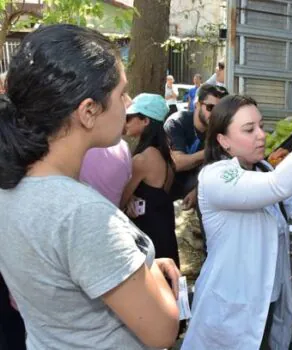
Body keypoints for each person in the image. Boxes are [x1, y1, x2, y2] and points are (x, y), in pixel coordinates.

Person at [0, 24, 180, 349]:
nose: (127, 103)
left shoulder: (13, 185)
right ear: (88, 111)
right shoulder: (82, 214)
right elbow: (163, 331)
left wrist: (136, 268)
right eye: (121, 93)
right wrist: (148, 268)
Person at [181, 95, 292, 349]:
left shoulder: (261, 168)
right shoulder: (216, 177)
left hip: (268, 299)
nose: (261, 135)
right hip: (233, 307)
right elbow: (277, 187)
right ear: (223, 140)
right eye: (249, 130)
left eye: (260, 126)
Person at [121, 93, 180, 268]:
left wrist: (128, 200)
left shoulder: (144, 159)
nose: (125, 122)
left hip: (148, 238)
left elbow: (119, 199)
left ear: (146, 121)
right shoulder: (165, 156)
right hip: (166, 233)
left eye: (129, 117)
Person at [164, 84, 229, 209]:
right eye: (210, 107)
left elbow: (219, 171)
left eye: (219, 110)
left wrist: (197, 191)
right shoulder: (177, 122)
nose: (215, 114)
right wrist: (212, 150)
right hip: (167, 193)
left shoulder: (220, 131)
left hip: (197, 193)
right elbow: (177, 163)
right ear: (197, 104)